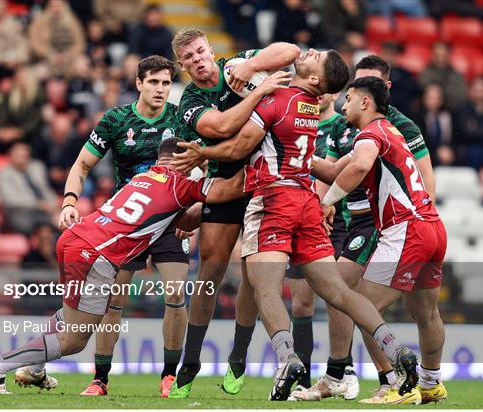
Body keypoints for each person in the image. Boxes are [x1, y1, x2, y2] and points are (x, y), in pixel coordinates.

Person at [173, 49, 420, 402]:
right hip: (307, 203)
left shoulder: (279, 100)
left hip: (274, 200)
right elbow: (313, 160)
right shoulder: (310, 109)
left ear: (316, 79)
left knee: (265, 290)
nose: (309, 53)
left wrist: (203, 154)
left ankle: (287, 359)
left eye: (316, 57)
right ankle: (397, 351)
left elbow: (237, 147)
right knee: (338, 293)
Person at [0, 137, 246, 395]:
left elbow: (176, 220)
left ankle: (34, 368)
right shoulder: (180, 184)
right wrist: (259, 170)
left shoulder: (142, 177)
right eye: (194, 159)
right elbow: (230, 189)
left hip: (74, 239)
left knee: (71, 316)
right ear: (182, 160)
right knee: (75, 339)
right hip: (96, 254)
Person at [43, 56, 191, 398]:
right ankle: (100, 379)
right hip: (127, 223)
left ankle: (169, 375)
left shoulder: (180, 119)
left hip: (170, 220)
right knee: (113, 302)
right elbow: (81, 165)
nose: (160, 89)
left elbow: (200, 165)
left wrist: (191, 215)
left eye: (166, 83)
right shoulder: (115, 119)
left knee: (176, 293)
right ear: (138, 83)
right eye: (153, 82)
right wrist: (68, 201)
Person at [168, 28, 300, 399]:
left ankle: (238, 357)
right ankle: (190, 361)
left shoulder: (237, 65)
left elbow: (290, 49)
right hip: (226, 182)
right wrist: (259, 89)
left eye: (200, 51)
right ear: (183, 66)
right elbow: (223, 127)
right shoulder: (190, 101)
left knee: (254, 274)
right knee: (210, 268)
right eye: (189, 57)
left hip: (265, 176)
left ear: (211, 50)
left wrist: (253, 66)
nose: (197, 60)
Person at [316, 55, 436, 405]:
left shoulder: (377, 130)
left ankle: (393, 378)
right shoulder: (377, 129)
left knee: (359, 303)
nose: (344, 101)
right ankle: (431, 382)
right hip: (422, 225)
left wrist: (329, 200)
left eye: (351, 96)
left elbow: (357, 168)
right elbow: (337, 168)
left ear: (371, 97)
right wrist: (294, 153)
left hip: (399, 227)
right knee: (426, 313)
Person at [282, 92, 357, 395]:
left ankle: (344, 369)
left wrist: (327, 201)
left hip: (337, 221)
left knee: (337, 296)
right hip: (299, 218)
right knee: (301, 304)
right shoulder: (298, 122)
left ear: (336, 93)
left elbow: (342, 169)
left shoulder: (342, 125)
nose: (321, 93)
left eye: (328, 88)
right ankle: (301, 378)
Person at [0, 143, 58, 235]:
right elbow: (10, 200)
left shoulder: (38, 167)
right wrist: (38, 204)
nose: (22, 160)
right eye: (18, 156)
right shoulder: (4, 174)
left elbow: (46, 189)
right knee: (40, 225)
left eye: (24, 156)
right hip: (20, 211)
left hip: (44, 209)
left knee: (62, 218)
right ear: (10, 156)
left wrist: (53, 204)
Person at [454, 76, 483, 170]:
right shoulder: (462, 109)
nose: (479, 94)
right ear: (470, 91)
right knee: (475, 153)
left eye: (482, 91)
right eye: (476, 90)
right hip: (468, 148)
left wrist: (476, 129)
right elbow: (466, 133)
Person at [420, 42, 467, 111]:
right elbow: (421, 94)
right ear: (432, 56)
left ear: (448, 56)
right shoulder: (425, 73)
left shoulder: (457, 76)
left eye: (443, 55)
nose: (440, 58)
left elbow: (461, 97)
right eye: (437, 55)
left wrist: (440, 97)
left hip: (451, 112)